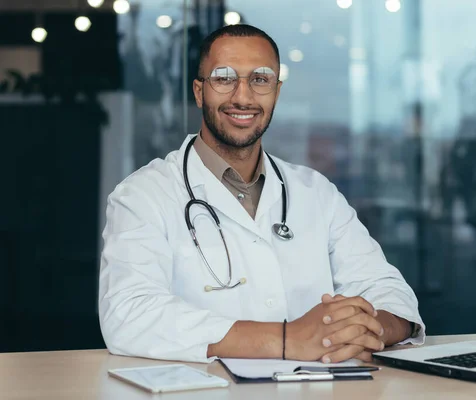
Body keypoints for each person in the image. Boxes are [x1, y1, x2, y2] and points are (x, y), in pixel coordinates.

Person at [98, 24, 425, 364]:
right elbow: (129, 314)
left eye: (260, 79)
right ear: (199, 92)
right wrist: (286, 340)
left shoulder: (316, 193)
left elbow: (388, 290)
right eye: (224, 79)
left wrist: (368, 329)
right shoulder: (143, 195)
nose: (243, 97)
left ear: (276, 91)